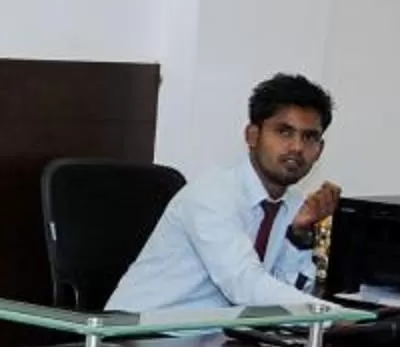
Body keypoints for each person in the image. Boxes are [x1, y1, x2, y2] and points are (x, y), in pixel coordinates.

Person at [106, 72, 344, 313]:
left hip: (212, 337)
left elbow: (283, 294)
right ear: (252, 135)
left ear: (320, 150)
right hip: (140, 333)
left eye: (309, 137)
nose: (297, 147)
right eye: (284, 132)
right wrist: (333, 314)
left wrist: (299, 236)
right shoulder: (212, 196)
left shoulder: (295, 205)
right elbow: (243, 285)